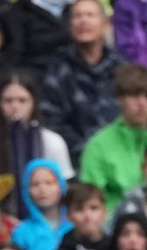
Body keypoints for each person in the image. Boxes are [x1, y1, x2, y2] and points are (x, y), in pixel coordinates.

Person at [80, 64, 147, 216]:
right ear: (119, 99)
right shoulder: (98, 146)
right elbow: (91, 202)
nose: (142, 103)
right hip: (116, 229)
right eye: (134, 95)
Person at [0, 73, 74, 212]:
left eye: (22, 100)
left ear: (33, 103)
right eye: (8, 101)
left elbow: (64, 186)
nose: (15, 107)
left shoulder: (52, 141)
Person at [39, 0, 121, 162]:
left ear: (105, 25)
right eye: (77, 16)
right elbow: (53, 120)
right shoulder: (57, 68)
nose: (83, 21)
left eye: (90, 15)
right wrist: (89, 151)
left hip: (119, 158)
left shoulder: (122, 68)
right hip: (76, 160)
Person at [11, 159, 70, 250]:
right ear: (26, 190)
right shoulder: (21, 232)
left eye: (49, 183)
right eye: (34, 184)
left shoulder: (75, 225)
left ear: (61, 186)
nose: (42, 189)